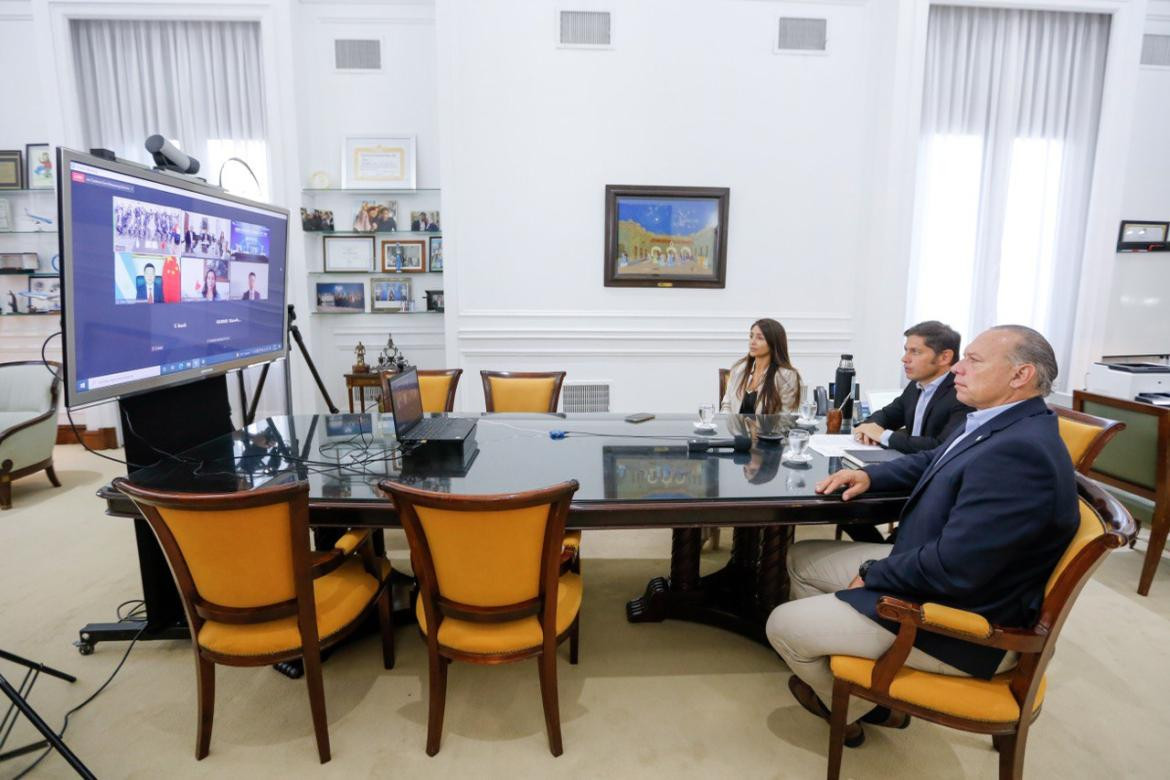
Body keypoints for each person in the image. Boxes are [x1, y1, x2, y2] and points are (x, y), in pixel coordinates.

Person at [764, 325, 1078, 748]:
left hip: (965, 623)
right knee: (802, 558)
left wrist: (877, 573)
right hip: (933, 564)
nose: (959, 369)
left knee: (781, 624)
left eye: (974, 361)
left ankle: (859, 704)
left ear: (1020, 375)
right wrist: (868, 474)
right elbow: (934, 459)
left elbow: (956, 568)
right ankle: (843, 666)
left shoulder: (1020, 453)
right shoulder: (1002, 421)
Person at [853, 321, 972, 454]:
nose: (904, 359)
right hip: (906, 463)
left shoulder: (963, 394)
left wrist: (882, 436)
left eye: (915, 352)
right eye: (906, 350)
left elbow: (941, 446)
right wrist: (869, 428)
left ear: (944, 357)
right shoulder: (916, 385)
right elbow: (887, 415)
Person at [719, 319, 801, 414]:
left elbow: (786, 418)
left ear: (773, 343)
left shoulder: (786, 375)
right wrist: (731, 426)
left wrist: (759, 428)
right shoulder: (738, 370)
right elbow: (726, 406)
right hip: (735, 428)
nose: (752, 342)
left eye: (760, 338)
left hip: (769, 429)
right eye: (751, 336)